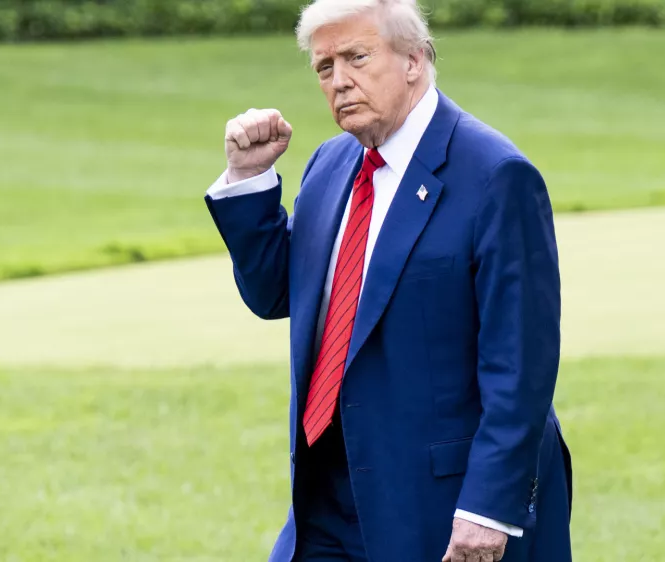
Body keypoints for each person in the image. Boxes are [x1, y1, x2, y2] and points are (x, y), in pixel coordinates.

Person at [203, 1, 571, 560]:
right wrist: (249, 180)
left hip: (441, 504)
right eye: (325, 67)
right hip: (325, 497)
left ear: (414, 61)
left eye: (357, 57)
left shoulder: (496, 175)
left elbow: (521, 364)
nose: (339, 81)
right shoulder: (330, 165)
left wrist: (489, 507)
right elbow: (277, 292)